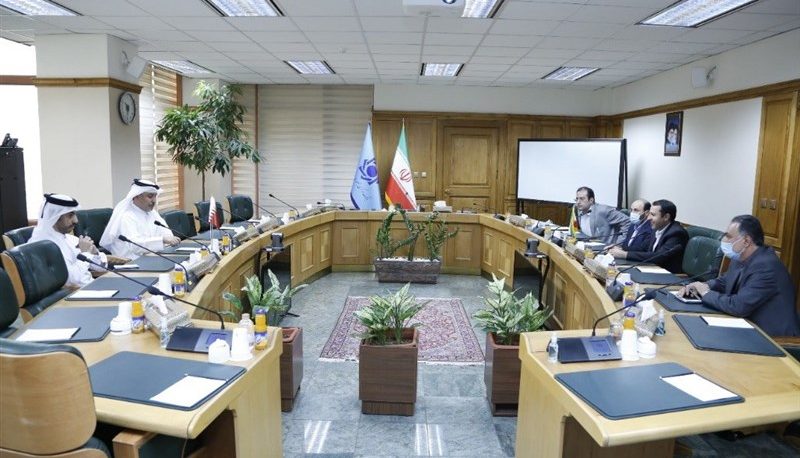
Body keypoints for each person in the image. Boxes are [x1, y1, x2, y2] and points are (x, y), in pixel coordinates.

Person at [679, 215, 799, 337]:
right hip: (747, 325)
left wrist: (705, 293)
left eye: (728, 236)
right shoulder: (740, 257)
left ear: (746, 241)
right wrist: (701, 286)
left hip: (773, 337)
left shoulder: (766, 267)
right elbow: (724, 281)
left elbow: (738, 306)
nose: (724, 239)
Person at [27, 193, 106, 288]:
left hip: (93, 286)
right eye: (70, 216)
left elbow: (102, 268)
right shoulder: (44, 245)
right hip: (76, 293)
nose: (76, 221)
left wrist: (94, 253)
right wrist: (85, 253)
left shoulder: (70, 239)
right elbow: (73, 281)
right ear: (55, 217)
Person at [100, 179, 180, 258]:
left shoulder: (152, 213)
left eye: (155, 196)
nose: (154, 201)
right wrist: (162, 240)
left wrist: (168, 239)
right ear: (136, 196)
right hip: (131, 262)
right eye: (150, 196)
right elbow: (134, 245)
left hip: (152, 258)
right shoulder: (126, 216)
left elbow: (167, 235)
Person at [609, 199, 688, 273]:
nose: (649, 218)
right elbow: (642, 248)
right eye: (650, 214)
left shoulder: (676, 233)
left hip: (668, 275)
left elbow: (659, 256)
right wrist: (620, 249)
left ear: (666, 217)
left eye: (653, 215)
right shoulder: (656, 229)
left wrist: (624, 254)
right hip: (651, 269)